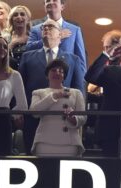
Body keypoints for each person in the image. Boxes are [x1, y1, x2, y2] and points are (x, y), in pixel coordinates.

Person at [19, 18, 84, 155]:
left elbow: (79, 90)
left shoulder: (73, 59)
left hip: (64, 121)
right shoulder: (27, 57)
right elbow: (21, 89)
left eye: (51, 27)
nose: (46, 29)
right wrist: (19, 112)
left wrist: (77, 118)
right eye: (44, 27)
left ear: (60, 34)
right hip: (33, 118)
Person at [30, 59, 86, 157]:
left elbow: (83, 117)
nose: (57, 73)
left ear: (64, 76)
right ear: (47, 75)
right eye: (53, 70)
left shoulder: (76, 93)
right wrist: (54, 96)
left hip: (69, 143)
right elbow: (34, 112)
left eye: (61, 71)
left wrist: (73, 119)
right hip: (44, 142)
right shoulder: (38, 92)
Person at [26, 0, 87, 69]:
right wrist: (53, 38)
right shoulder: (35, 28)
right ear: (44, 7)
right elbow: (28, 48)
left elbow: (81, 60)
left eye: (54, 0)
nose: (51, 2)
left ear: (62, 6)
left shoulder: (75, 29)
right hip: (40, 74)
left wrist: (81, 78)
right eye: (48, 1)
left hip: (67, 76)